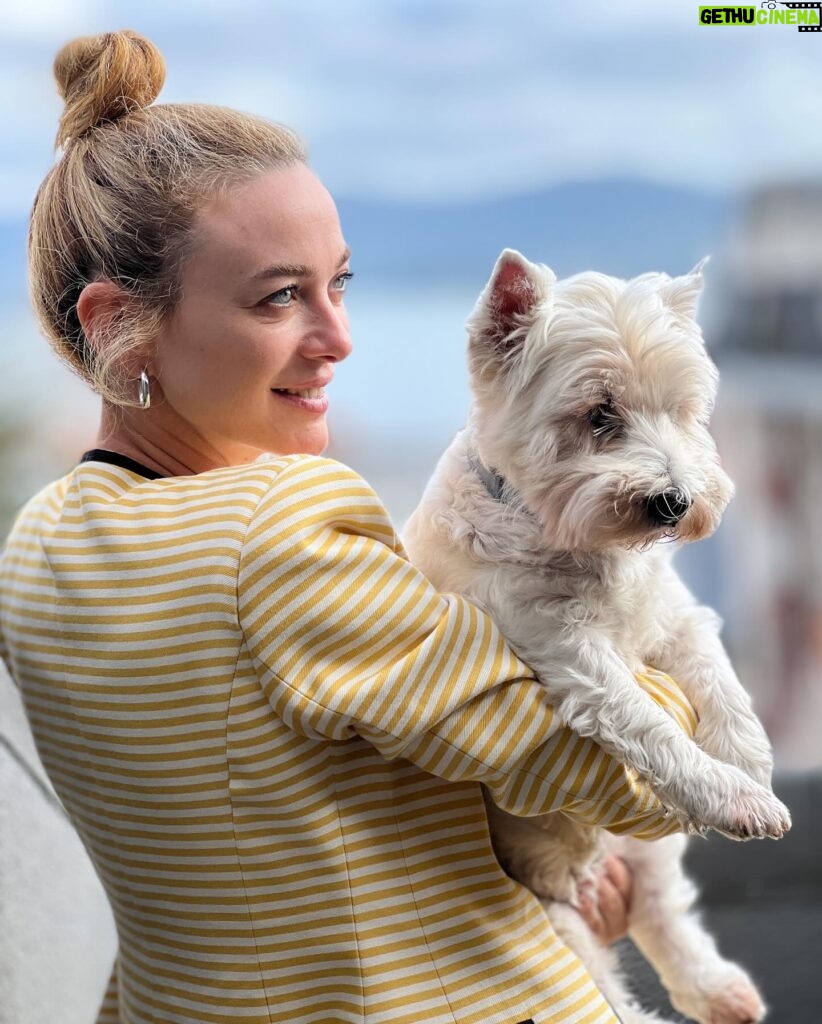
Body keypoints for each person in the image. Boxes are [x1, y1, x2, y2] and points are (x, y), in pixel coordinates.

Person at [0, 29, 701, 1024]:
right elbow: (627, 776)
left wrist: (542, 869)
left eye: (340, 283)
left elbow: (253, 849)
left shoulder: (39, 542)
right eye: (281, 296)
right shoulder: (280, 523)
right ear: (119, 325)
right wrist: (677, 671)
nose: (337, 338)